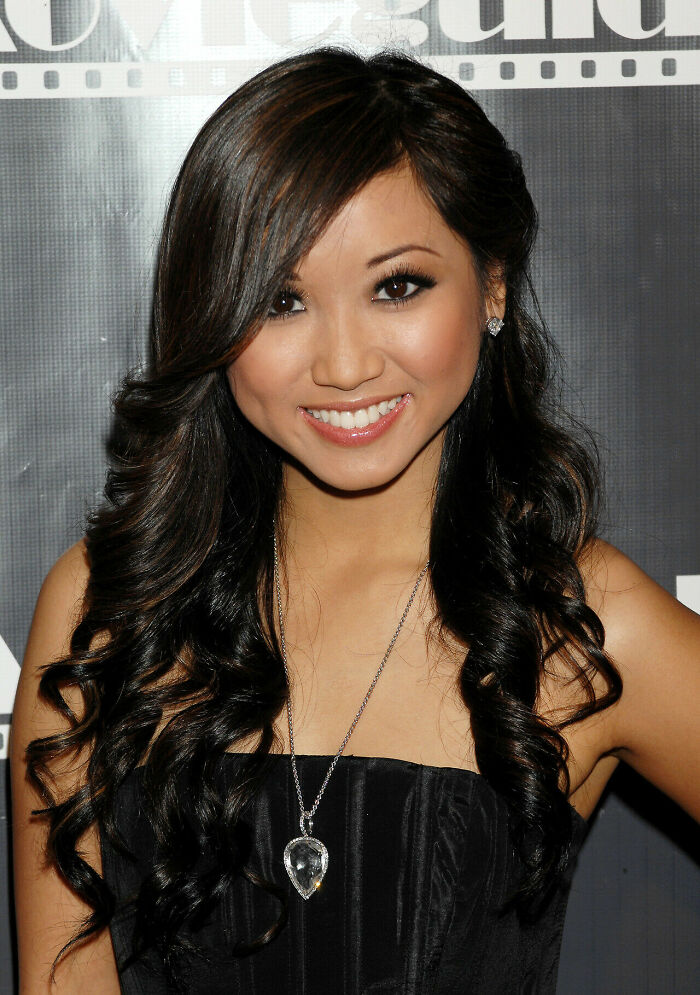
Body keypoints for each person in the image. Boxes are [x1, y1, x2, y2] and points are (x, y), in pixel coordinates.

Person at [10, 45, 700, 994]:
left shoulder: (581, 625)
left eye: (398, 286)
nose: (343, 365)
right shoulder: (107, 608)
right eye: (281, 299)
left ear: (493, 282)